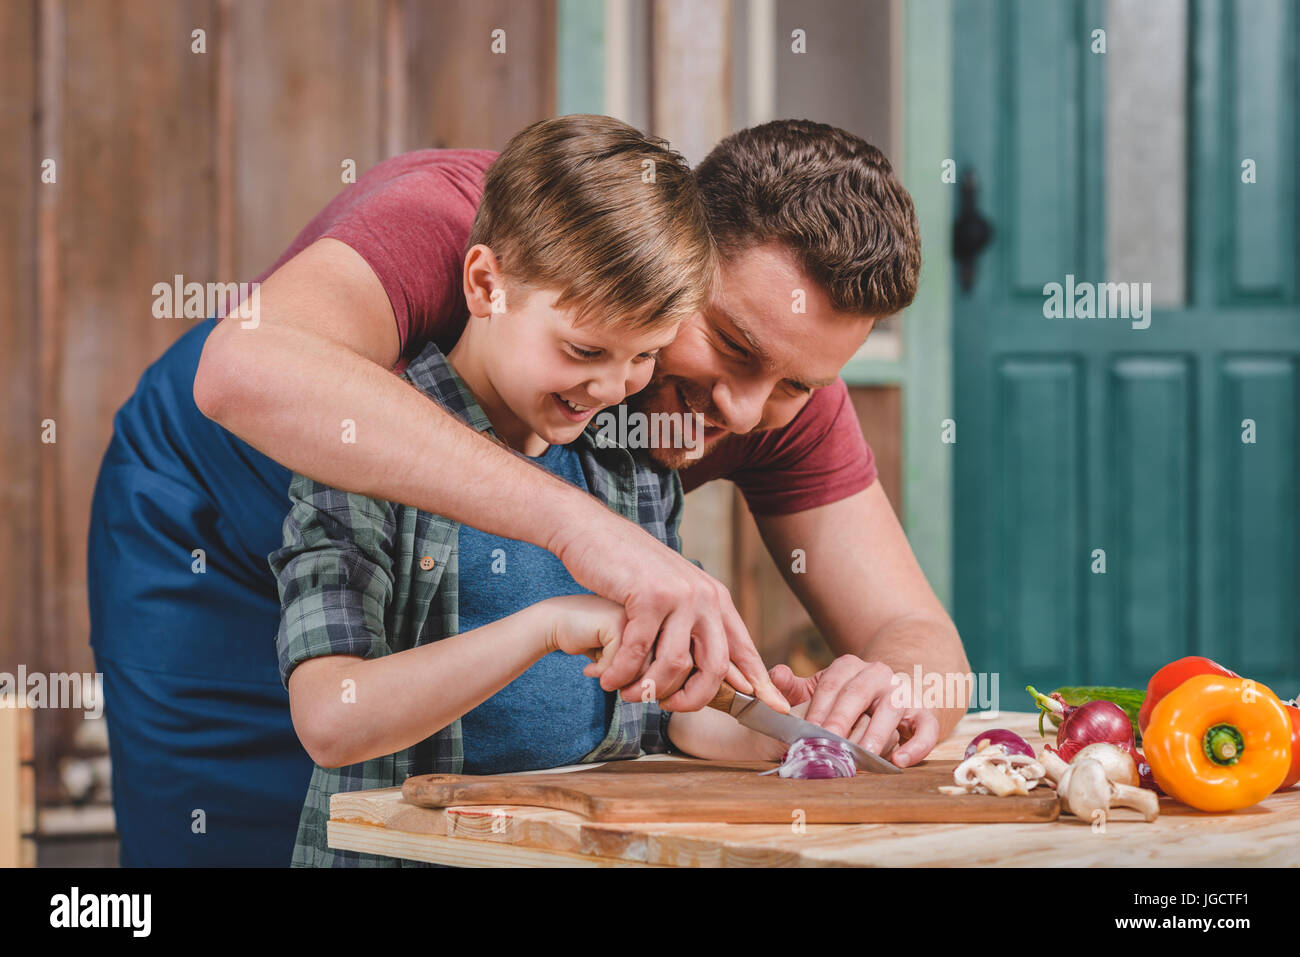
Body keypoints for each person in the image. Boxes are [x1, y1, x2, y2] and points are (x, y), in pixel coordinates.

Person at [89, 116, 971, 867]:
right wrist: (582, 534)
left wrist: (887, 697)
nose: (743, 411)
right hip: (213, 523)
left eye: (795, 384)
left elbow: (920, 637)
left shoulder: (782, 390)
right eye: (731, 345)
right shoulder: (454, 218)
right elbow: (242, 372)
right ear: (674, 252)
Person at [272, 116, 800, 866]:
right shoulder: (366, 445)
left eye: (644, 356)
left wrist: (772, 726)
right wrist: (546, 625)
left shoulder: (631, 462)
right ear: (487, 284)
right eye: (584, 349)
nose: (610, 386)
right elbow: (331, 718)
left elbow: (663, 717)